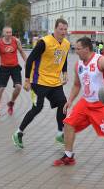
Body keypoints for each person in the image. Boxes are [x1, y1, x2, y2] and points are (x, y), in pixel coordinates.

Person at [53, 37, 104, 166]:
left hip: (102, 105)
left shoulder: (101, 61)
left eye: (78, 49)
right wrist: (70, 100)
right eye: (75, 48)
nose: (75, 51)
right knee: (68, 124)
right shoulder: (78, 65)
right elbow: (77, 85)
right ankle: (68, 156)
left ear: (87, 49)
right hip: (85, 102)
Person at [12, 18, 70, 148]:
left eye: (65, 29)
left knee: (64, 104)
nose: (63, 32)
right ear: (55, 29)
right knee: (37, 107)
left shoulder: (66, 43)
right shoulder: (44, 42)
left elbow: (64, 58)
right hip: (39, 81)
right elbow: (30, 60)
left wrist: (65, 73)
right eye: (61, 29)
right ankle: (18, 133)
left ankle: (60, 133)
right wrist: (27, 80)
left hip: (55, 82)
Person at [0, 26, 27, 116]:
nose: (9, 34)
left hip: (15, 67)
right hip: (4, 68)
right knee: (1, 88)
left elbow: (21, 52)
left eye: (10, 32)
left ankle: (11, 103)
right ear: (3, 33)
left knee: (18, 87)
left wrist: (27, 62)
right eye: (7, 32)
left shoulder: (16, 41)